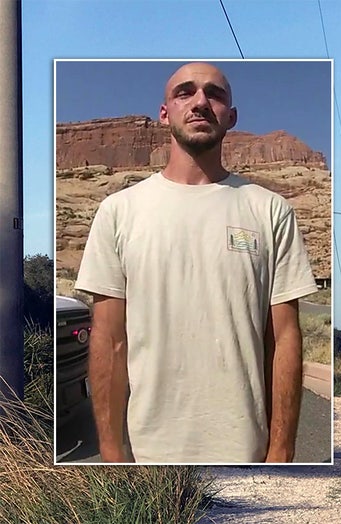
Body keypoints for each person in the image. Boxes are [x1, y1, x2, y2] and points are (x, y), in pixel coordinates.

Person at [75, 62, 317, 463]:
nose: (201, 102)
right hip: (150, 454)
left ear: (231, 117)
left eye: (215, 94)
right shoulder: (119, 212)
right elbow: (109, 340)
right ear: (165, 112)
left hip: (246, 453)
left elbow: (285, 339)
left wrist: (281, 450)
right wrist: (112, 453)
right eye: (185, 92)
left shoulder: (270, 211)